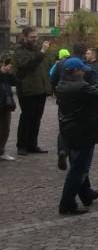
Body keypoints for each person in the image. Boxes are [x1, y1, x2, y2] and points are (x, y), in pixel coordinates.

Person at [55, 58, 98, 215]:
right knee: (79, 169)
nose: (83, 72)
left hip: (69, 131)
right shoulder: (79, 86)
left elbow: (89, 93)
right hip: (82, 132)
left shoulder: (63, 84)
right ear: (76, 71)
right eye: (81, 70)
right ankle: (67, 203)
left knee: (79, 165)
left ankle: (87, 195)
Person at [13, 27, 52, 156]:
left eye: (36, 36)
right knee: (26, 117)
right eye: (32, 37)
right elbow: (27, 64)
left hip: (40, 89)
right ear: (24, 37)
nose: (35, 39)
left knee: (36, 118)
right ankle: (22, 146)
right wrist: (42, 52)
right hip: (27, 89)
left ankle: (32, 144)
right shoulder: (19, 50)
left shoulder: (36, 50)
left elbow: (42, 69)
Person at [0, 59, 17, 161]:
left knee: (5, 129)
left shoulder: (5, 74)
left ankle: (1, 151)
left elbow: (14, 82)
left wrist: (9, 73)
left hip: (5, 104)